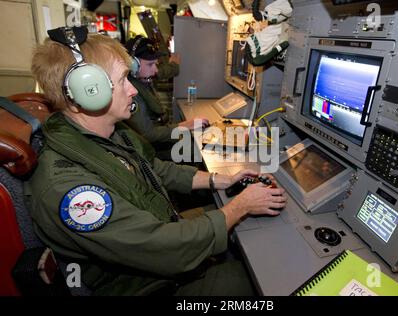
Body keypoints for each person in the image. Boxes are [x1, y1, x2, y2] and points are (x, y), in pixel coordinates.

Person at [26, 27, 287, 296]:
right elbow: (166, 248)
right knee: (264, 282)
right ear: (88, 92)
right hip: (149, 286)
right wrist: (240, 207)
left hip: (161, 234)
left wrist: (221, 179)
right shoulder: (71, 191)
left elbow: (154, 169)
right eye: (123, 80)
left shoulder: (109, 134)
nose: (133, 90)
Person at [124, 35, 208, 160]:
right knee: (196, 148)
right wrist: (184, 126)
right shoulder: (131, 92)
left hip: (159, 139)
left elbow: (163, 72)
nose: (155, 70)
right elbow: (148, 134)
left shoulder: (141, 80)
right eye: (150, 64)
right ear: (133, 65)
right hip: (152, 150)